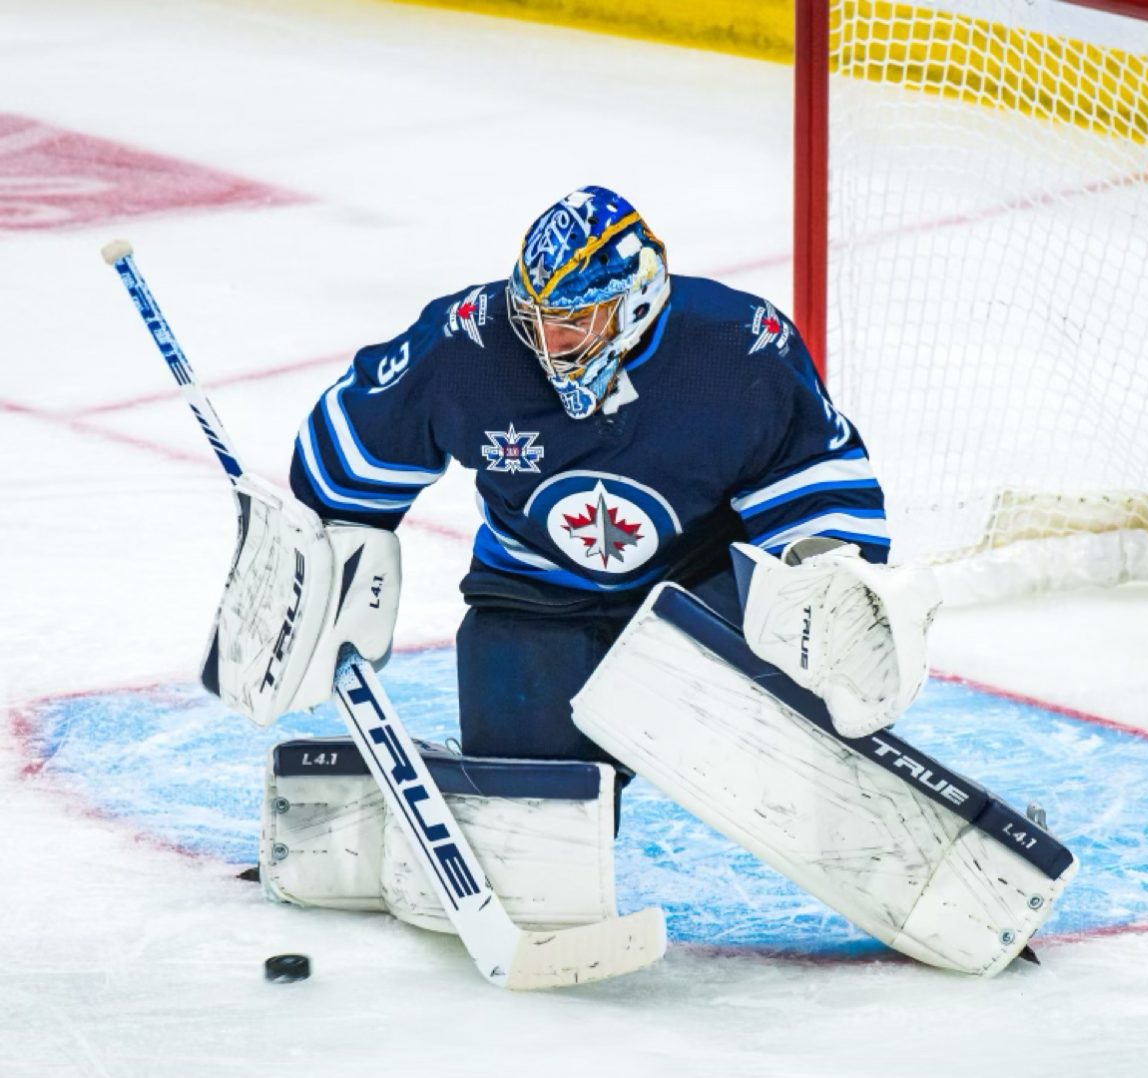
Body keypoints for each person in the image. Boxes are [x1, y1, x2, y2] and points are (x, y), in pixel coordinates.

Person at [286, 184, 890, 768]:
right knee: (532, 806)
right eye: (536, 317)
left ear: (635, 304)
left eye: (575, 320)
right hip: (532, 596)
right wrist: (323, 560)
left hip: (696, 596)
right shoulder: (471, 343)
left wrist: (827, 595)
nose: (548, 341)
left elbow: (818, 488)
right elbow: (352, 451)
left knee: (780, 711)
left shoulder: (739, 347)